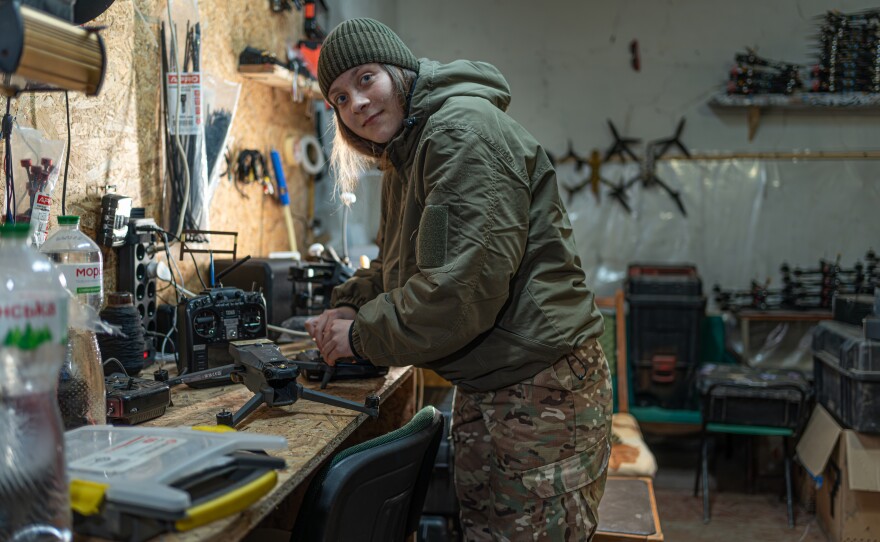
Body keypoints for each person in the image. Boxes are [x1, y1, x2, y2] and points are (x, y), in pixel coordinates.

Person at [306, 17, 612, 541]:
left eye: (365, 78)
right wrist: (351, 304)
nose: (356, 102)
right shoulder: (406, 150)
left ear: (398, 71)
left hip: (541, 389)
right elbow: (398, 266)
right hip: (490, 382)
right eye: (339, 97)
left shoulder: (459, 134)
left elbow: (460, 294)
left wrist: (359, 335)